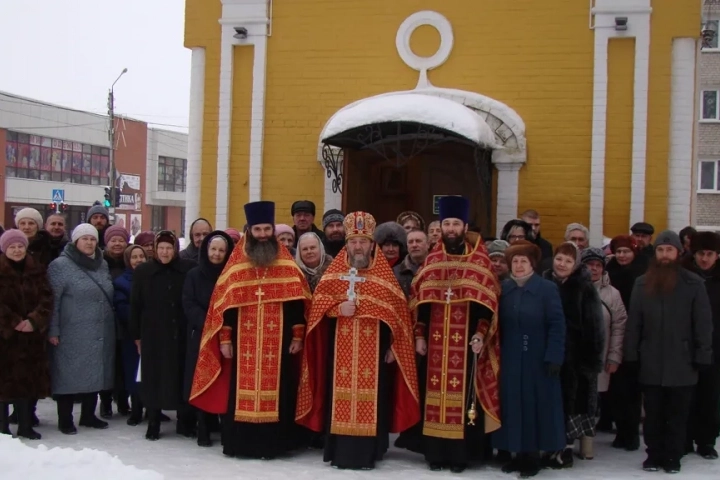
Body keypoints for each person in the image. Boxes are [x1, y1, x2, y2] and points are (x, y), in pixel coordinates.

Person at [296, 211, 419, 470]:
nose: (358, 246)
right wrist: (337, 309)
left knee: (375, 402)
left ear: (372, 244)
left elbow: (399, 318)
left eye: (363, 241)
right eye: (353, 241)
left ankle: (370, 452)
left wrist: (394, 348)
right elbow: (318, 308)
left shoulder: (385, 278)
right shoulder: (333, 276)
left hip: (375, 356)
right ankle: (339, 451)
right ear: (347, 244)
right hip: (338, 353)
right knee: (337, 400)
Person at [190, 201, 312, 459]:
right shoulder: (236, 268)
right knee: (240, 393)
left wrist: (298, 335)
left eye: (267, 229)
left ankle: (273, 446)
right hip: (243, 344)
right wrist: (225, 339)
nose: (263, 234)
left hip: (277, 343)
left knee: (279, 391)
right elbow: (227, 308)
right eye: (258, 230)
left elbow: (295, 304)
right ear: (249, 231)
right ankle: (241, 445)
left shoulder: (286, 265)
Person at [408, 196, 501, 473]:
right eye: (446, 223)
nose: (450, 229)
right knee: (433, 396)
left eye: (455, 224)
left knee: (466, 402)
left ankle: (462, 455)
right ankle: (436, 453)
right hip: (436, 345)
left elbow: (487, 307)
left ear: (465, 226)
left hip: (467, 347)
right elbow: (420, 305)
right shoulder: (432, 262)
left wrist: (480, 335)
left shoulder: (480, 262)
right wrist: (420, 336)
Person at [624, 231, 713, 473]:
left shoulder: (694, 284)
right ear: (656, 253)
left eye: (669, 250)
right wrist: (631, 355)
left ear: (678, 253)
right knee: (652, 415)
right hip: (651, 361)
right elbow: (634, 325)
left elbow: (703, 325)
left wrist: (703, 356)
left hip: (683, 362)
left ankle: (673, 456)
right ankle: (653, 455)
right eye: (661, 250)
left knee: (677, 415)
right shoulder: (642, 283)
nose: (665, 255)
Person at [492, 240, 566, 478]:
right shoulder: (504, 289)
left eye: (524, 261)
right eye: (515, 261)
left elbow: (557, 325)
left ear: (532, 263)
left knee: (535, 408)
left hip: (539, 360)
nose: (519, 265)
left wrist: (554, 355)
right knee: (514, 406)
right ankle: (517, 453)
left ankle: (532, 456)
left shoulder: (546, 289)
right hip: (512, 359)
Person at [47, 224, 116, 435]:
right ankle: (65, 419)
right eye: (84, 239)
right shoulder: (60, 266)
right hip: (71, 331)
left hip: (100, 331)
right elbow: (53, 301)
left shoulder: (101, 264)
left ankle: (88, 415)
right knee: (67, 375)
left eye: (93, 239)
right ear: (75, 242)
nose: (89, 243)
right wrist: (53, 329)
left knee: (95, 372)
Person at [542, 242, 604, 468]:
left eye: (568, 261)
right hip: (547, 353)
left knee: (570, 404)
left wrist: (591, 361)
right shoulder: (544, 282)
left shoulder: (584, 287)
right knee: (550, 401)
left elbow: (595, 326)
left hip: (576, 357)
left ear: (575, 264)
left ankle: (565, 449)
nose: (562, 264)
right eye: (559, 258)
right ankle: (548, 446)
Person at [130, 230, 196, 441]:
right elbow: (136, 306)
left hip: (180, 332)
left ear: (175, 249)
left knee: (180, 375)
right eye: (161, 248)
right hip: (153, 333)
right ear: (155, 250)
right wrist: (137, 336)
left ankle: (184, 422)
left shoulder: (187, 269)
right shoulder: (144, 271)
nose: (165, 252)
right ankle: (154, 422)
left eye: (169, 248)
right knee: (154, 377)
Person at [182, 231, 235, 447]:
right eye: (213, 249)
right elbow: (188, 302)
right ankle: (202, 426)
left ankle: (224, 426)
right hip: (202, 334)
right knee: (203, 380)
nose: (216, 254)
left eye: (221, 250)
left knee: (223, 381)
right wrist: (208, 322)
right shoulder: (194, 275)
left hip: (226, 334)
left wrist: (223, 325)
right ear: (206, 250)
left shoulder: (231, 275)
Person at [0, 229, 53, 440]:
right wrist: (13, 322)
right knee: (3, 382)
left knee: (27, 382)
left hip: (31, 337)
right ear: (5, 249)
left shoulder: (37, 270)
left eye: (20, 246)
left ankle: (25, 424)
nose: (17, 250)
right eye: (12, 247)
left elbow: (47, 298)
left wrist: (34, 320)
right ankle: (3, 426)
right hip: (5, 337)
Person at [581, 247, 627, 459]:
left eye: (598, 265)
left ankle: (587, 442)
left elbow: (619, 326)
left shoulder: (612, 294)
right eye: (590, 265)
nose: (594, 269)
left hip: (600, 356)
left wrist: (614, 356)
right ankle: (570, 438)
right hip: (575, 356)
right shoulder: (573, 288)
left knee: (592, 400)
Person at [683, 231, 720, 459]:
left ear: (717, 255)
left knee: (711, 398)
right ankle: (685, 439)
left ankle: (706, 441)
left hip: (716, 349)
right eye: (701, 254)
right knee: (687, 396)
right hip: (686, 347)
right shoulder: (683, 277)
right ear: (693, 254)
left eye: (709, 254)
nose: (705, 259)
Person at [113, 245, 147, 426]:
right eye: (134, 257)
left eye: (141, 256)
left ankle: (151, 407)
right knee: (134, 373)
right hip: (131, 334)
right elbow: (123, 309)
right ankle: (135, 410)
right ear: (128, 260)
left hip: (151, 333)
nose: (138, 260)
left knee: (150, 372)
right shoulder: (121, 282)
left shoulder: (151, 277)